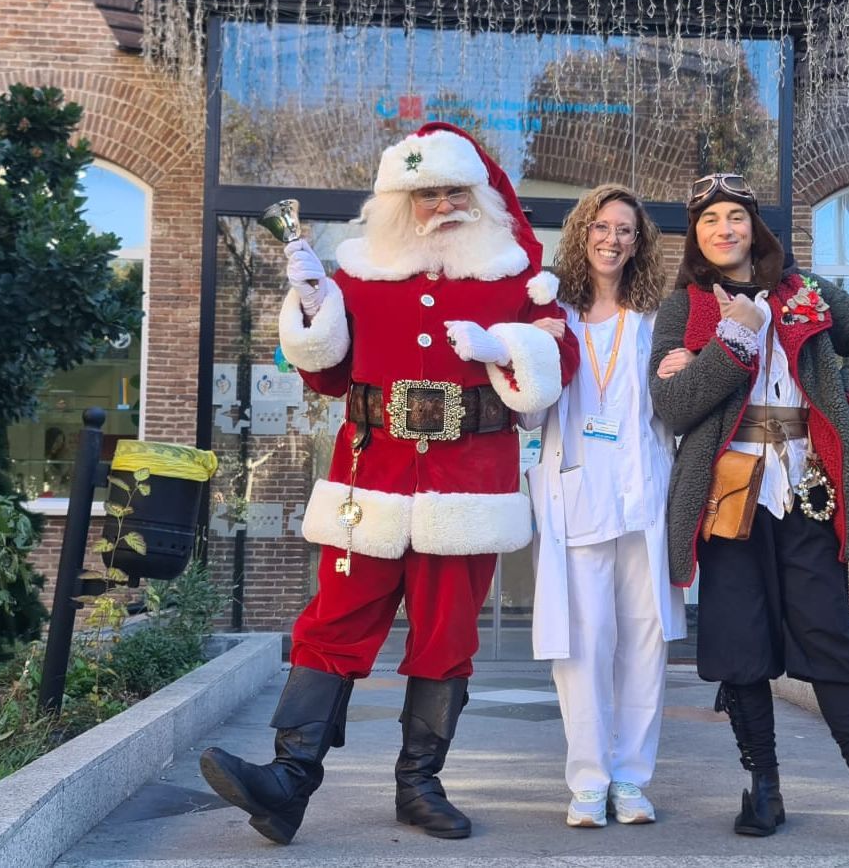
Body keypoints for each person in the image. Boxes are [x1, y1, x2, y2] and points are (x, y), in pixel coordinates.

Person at [198, 122, 579, 846]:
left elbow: (552, 370)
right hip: (368, 477)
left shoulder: (516, 280)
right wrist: (311, 305)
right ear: (398, 203)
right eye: (425, 194)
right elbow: (327, 372)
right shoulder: (358, 274)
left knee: (446, 632)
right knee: (333, 621)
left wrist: (507, 344)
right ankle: (288, 781)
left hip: (466, 484)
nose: (440, 206)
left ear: (478, 197)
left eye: (453, 193)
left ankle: (419, 783)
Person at [649, 173, 849, 838]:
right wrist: (732, 345)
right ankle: (763, 788)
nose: (724, 229)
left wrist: (838, 401)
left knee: (828, 633)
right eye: (710, 221)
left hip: (805, 488)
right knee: (739, 641)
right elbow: (673, 407)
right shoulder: (684, 307)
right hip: (726, 497)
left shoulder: (806, 291)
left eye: (735, 216)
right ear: (697, 237)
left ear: (753, 226)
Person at [524, 184, 686, 829]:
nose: (612, 239)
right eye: (602, 225)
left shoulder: (655, 321)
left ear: (639, 242)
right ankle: (588, 779)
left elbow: (672, 409)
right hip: (575, 495)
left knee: (644, 645)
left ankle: (632, 779)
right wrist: (530, 354)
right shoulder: (550, 314)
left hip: (644, 497)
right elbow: (529, 411)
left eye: (625, 230)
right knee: (582, 645)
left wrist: (686, 366)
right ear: (581, 232)